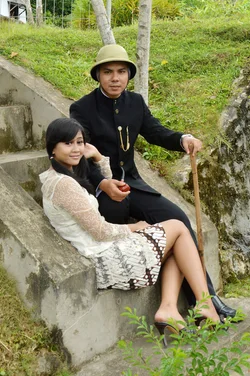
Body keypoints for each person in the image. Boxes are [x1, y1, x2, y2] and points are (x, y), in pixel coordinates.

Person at [69, 44, 237, 320]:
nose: (115, 78)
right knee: (121, 218)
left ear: (128, 75)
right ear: (98, 75)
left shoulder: (134, 103)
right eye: (108, 71)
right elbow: (80, 155)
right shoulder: (82, 109)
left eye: (121, 71)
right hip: (103, 191)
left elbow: (155, 131)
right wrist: (102, 184)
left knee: (179, 219)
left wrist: (182, 139)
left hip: (134, 185)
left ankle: (206, 300)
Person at [40, 118, 220, 344]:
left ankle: (170, 309)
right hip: (106, 259)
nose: (76, 149)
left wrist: (97, 157)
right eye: (68, 143)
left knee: (176, 239)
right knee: (177, 227)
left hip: (102, 252)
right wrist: (135, 227)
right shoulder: (64, 185)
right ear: (52, 147)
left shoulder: (58, 176)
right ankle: (204, 305)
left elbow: (107, 187)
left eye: (79, 142)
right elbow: (100, 231)